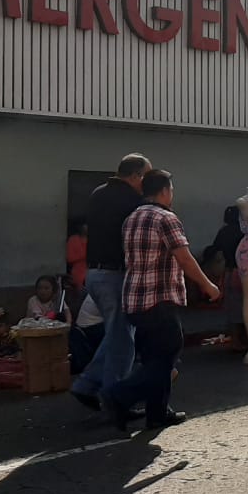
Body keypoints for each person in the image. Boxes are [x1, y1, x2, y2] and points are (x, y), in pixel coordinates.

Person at [104, 169, 221, 432]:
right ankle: (119, 394)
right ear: (165, 191)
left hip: (134, 299)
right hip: (159, 298)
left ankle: (157, 412)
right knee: (168, 354)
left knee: (153, 359)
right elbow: (184, 258)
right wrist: (208, 285)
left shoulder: (131, 218)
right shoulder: (166, 218)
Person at [69, 153, 151, 412]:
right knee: (124, 340)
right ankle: (114, 396)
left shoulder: (98, 193)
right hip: (116, 274)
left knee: (118, 334)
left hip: (94, 273)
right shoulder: (132, 200)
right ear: (136, 175)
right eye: (146, 177)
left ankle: (87, 383)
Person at [65, 219, 88, 292]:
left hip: (92, 272)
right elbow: (70, 258)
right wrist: (86, 255)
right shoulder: (73, 239)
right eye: (83, 225)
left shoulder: (94, 238)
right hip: (78, 272)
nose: (85, 227)